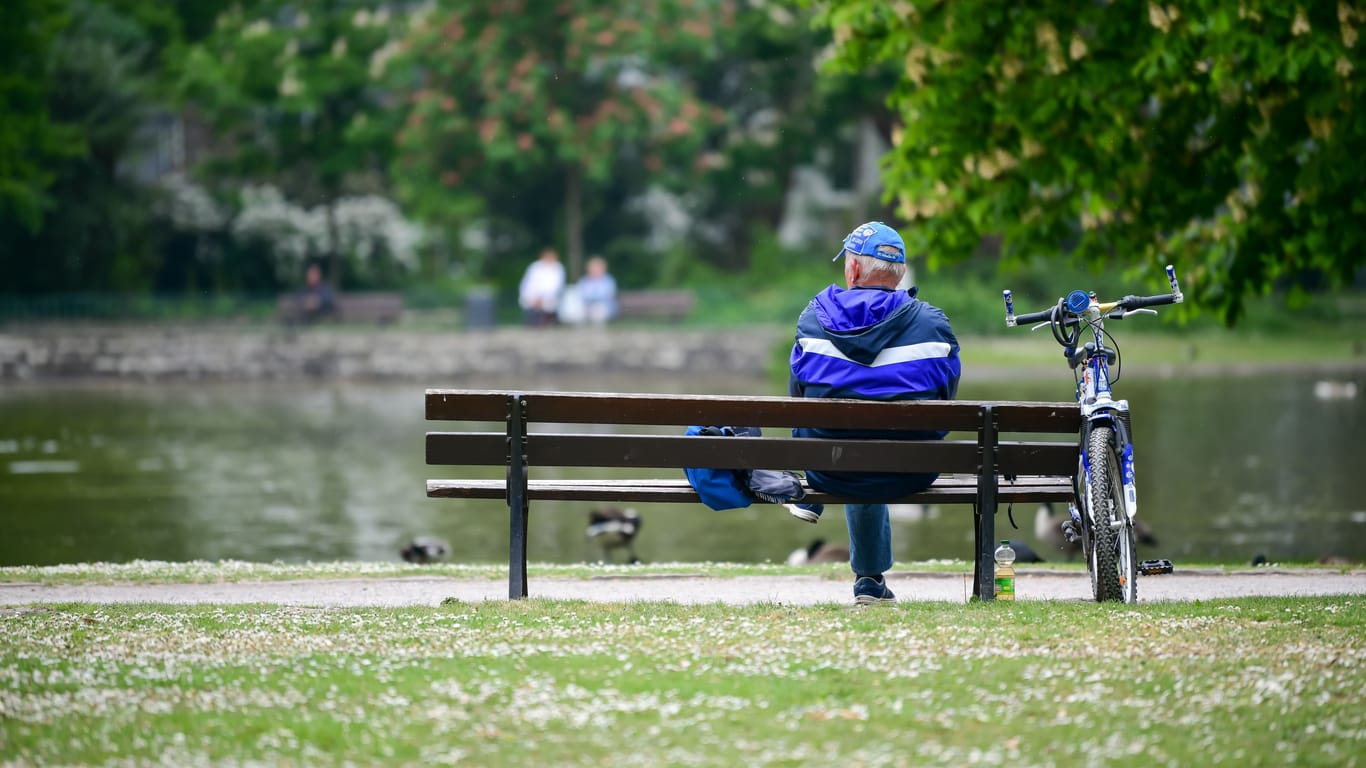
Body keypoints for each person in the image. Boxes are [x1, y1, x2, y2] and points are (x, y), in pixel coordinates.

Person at [787, 221, 961, 606]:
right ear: (898, 274)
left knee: (847, 447)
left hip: (829, 467)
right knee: (874, 449)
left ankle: (817, 510)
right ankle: (870, 581)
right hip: (912, 469)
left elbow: (797, 400)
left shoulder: (813, 319)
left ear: (852, 270)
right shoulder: (933, 324)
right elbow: (947, 403)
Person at [518, 247, 565, 326]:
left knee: (549, 304)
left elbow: (556, 287)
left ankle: (547, 320)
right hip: (532, 296)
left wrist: (543, 297)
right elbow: (527, 284)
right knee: (527, 302)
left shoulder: (558, 268)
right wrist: (532, 297)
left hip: (549, 297)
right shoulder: (535, 267)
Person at [575, 256, 618, 325]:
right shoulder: (584, 280)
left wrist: (592, 298)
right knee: (579, 313)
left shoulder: (608, 280)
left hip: (604, 306)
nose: (594, 270)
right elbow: (581, 295)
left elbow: (608, 295)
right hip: (587, 305)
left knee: (598, 312)